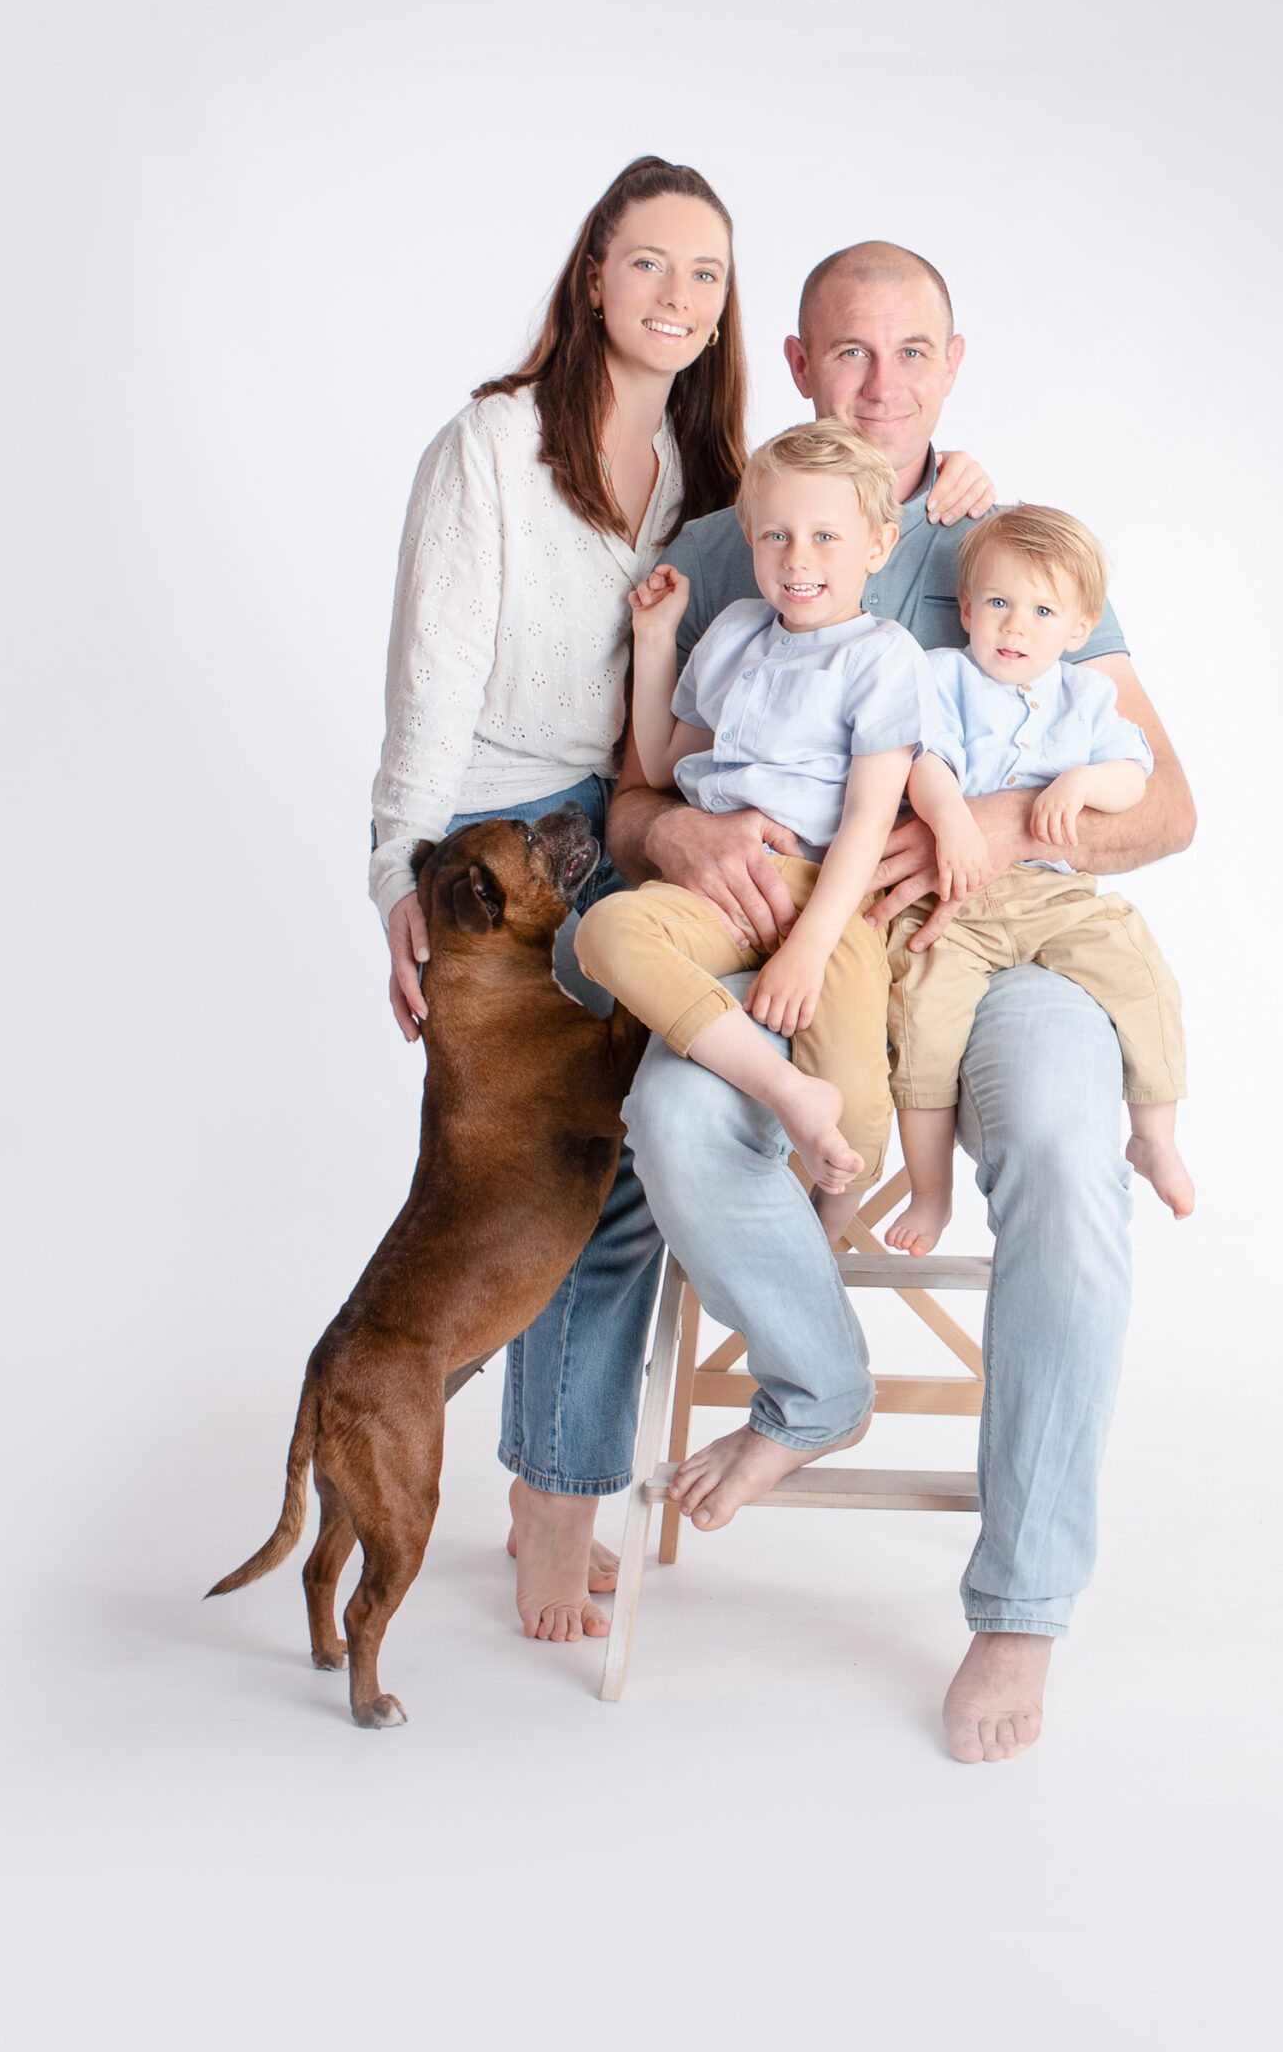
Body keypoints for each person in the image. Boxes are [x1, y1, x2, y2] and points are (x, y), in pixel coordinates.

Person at [370, 168, 995, 1643]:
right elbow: (431, 670)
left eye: (704, 274)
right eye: (645, 264)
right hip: (504, 832)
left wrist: (947, 485)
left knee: (627, 1176)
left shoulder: (715, 473)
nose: (673, 297)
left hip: (640, 828)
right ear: (592, 275)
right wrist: (401, 862)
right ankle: (537, 1490)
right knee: (528, 1180)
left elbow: (833, 536)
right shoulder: (498, 441)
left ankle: (567, 1479)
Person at [607, 239, 1197, 1762]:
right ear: (797, 363)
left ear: (953, 362)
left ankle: (1020, 1608)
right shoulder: (743, 542)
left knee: (1069, 1154)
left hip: (994, 951)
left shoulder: (1013, 539)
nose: (881, 384)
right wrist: (674, 832)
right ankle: (816, 1386)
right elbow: (634, 794)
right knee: (674, 1108)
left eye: (912, 352)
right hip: (782, 951)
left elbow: (1170, 805)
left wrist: (983, 832)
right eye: (848, 353)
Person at [575, 421, 936, 1217]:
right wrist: (656, 638)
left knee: (859, 1103)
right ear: (748, 536)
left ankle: (824, 1230)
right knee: (603, 932)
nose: (797, 559)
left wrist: (806, 952)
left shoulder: (881, 656)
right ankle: (779, 1087)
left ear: (877, 545)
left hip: (824, 896)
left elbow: (869, 821)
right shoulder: (734, 630)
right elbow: (665, 762)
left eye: (823, 537)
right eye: (775, 535)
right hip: (721, 888)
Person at [888, 501, 1192, 1259]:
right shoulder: (943, 674)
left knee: (1139, 969)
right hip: (949, 899)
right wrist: (952, 819)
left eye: (1040, 610)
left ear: (1077, 629)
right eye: (996, 603)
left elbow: (1134, 776)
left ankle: (1153, 1135)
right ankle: (931, 1191)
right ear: (965, 609)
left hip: (1049, 894)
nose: (1014, 627)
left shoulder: (1085, 698)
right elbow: (924, 760)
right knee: (920, 1022)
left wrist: (1082, 783)